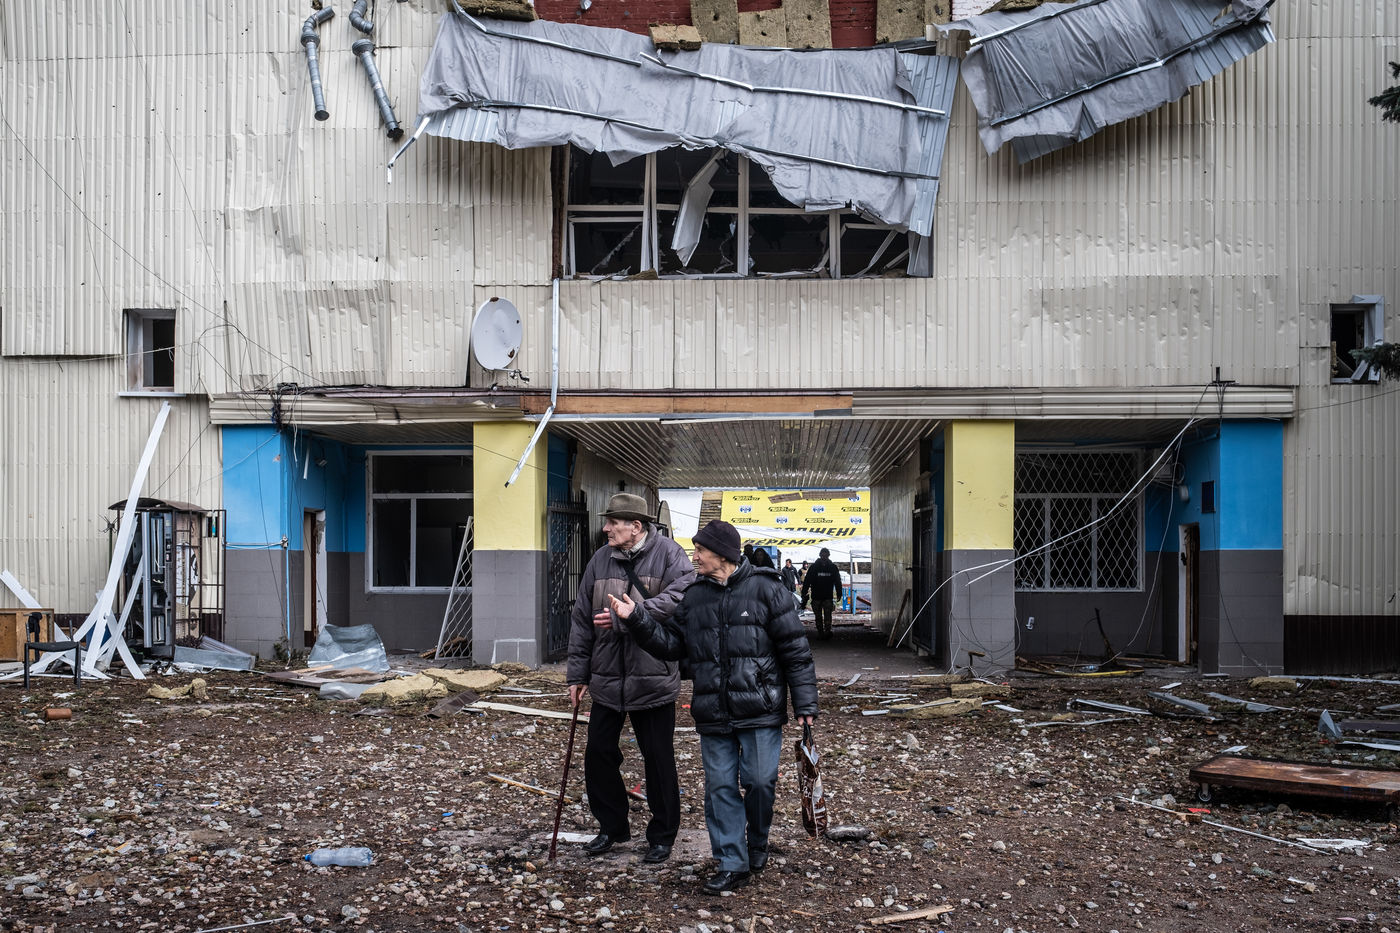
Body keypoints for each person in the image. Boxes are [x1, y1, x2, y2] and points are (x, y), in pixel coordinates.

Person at [607, 519, 818, 894]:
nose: (694, 556)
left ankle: (757, 841)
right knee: (720, 788)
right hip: (712, 711)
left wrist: (805, 701)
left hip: (760, 709)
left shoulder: (767, 589)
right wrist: (637, 619)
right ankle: (732, 862)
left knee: (759, 783)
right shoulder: (694, 596)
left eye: (700, 550)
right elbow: (671, 645)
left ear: (722, 554)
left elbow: (795, 651)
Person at [566, 493, 696, 864]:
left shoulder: (670, 555)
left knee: (658, 758)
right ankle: (611, 827)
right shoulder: (599, 559)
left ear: (635, 526)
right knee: (598, 754)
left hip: (652, 678)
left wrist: (633, 614)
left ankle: (662, 835)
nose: (606, 528)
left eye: (612, 522)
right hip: (606, 678)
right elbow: (582, 619)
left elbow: (683, 599)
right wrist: (577, 674)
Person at [801, 547, 842, 640]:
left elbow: (837, 581)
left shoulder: (831, 567)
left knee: (827, 616)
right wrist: (804, 592)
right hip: (818, 596)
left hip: (826, 596)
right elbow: (807, 581)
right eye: (822, 555)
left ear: (828, 555)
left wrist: (839, 592)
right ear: (820, 555)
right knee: (819, 616)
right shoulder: (815, 567)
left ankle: (826, 632)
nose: (824, 557)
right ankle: (821, 633)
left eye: (825, 555)